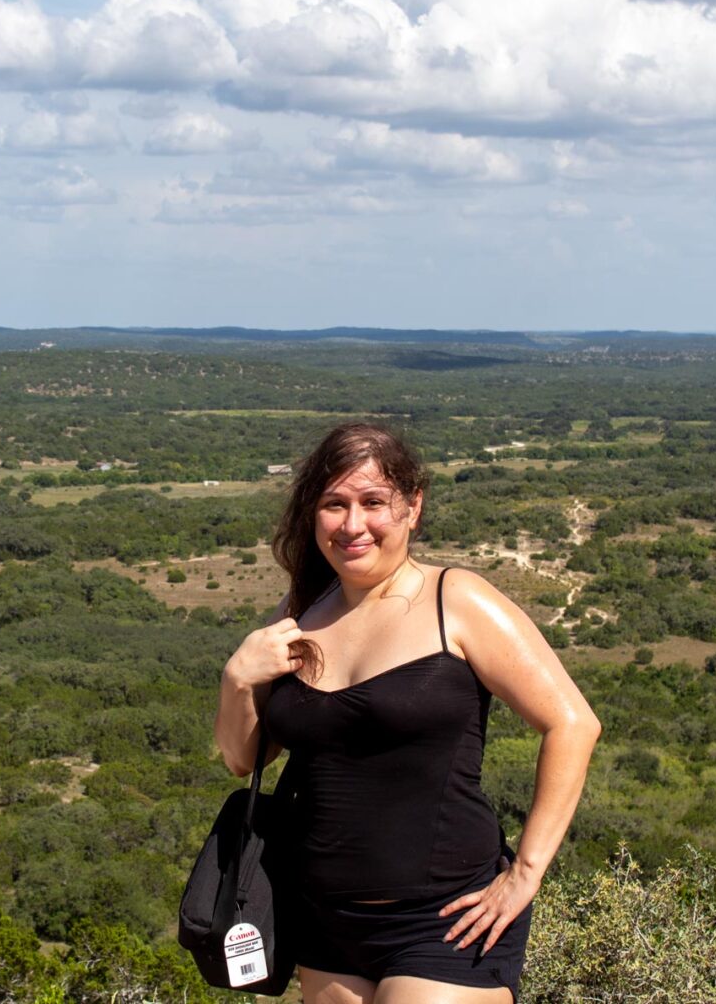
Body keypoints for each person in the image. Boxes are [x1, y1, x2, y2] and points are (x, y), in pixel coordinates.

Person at [214, 422, 601, 1004]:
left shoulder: (458, 601)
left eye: (374, 503)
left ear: (413, 507)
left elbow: (572, 722)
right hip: (324, 921)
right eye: (333, 505)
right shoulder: (298, 612)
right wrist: (237, 677)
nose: (353, 525)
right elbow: (244, 760)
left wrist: (526, 872)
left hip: (444, 920)